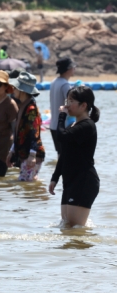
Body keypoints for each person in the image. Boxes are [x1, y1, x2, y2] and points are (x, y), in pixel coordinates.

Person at [49, 85, 100, 227]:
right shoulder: (73, 127)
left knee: (75, 228)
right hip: (70, 181)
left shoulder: (87, 125)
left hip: (84, 181)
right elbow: (64, 155)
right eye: (67, 101)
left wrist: (62, 116)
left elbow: (60, 136)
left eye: (71, 101)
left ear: (83, 105)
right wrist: (54, 178)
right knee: (66, 225)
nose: (66, 105)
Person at [7, 72, 45, 181]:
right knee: (28, 182)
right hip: (25, 152)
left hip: (33, 153)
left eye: (16, 88)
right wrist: (12, 151)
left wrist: (32, 155)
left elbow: (34, 133)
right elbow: (19, 132)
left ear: (22, 91)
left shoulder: (31, 109)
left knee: (25, 182)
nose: (13, 89)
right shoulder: (22, 105)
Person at [49, 58, 75, 154]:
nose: (75, 68)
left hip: (53, 125)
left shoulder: (54, 82)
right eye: (73, 67)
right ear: (69, 69)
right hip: (63, 126)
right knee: (66, 156)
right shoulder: (65, 85)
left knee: (60, 155)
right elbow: (71, 105)